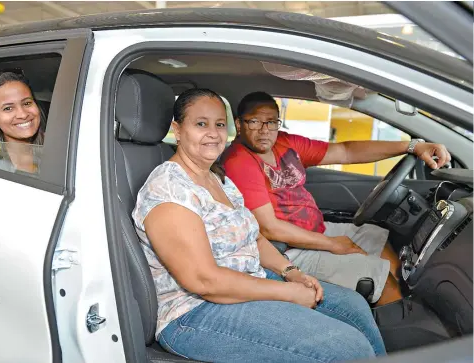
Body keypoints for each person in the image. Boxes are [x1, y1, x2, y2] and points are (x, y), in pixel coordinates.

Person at [132, 88, 386, 362]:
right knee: (349, 349)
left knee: (353, 307)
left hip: (250, 282)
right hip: (195, 312)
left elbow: (254, 237)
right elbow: (204, 281)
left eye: (219, 125)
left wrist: (291, 272)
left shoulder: (218, 178)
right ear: (178, 130)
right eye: (201, 124)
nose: (214, 133)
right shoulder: (169, 190)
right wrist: (288, 293)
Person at [221, 91, 451, 306]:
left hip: (315, 231)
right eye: (255, 121)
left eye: (271, 122)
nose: (264, 130)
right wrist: (333, 244)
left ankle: (409, 297)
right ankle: (407, 325)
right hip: (287, 250)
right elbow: (270, 229)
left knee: (374, 235)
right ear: (240, 125)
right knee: (373, 273)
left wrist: (412, 146)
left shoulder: (284, 142)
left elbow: (345, 151)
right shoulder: (239, 161)